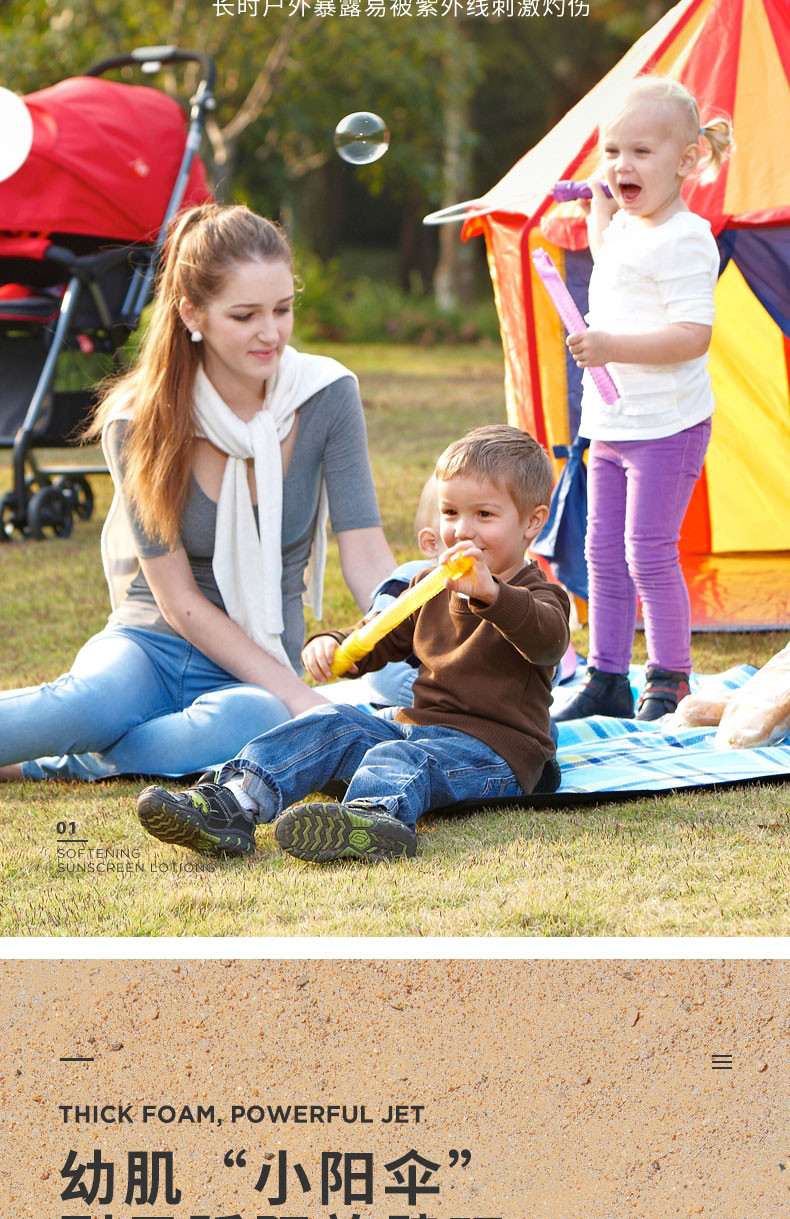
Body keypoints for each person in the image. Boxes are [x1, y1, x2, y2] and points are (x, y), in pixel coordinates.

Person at [0, 203, 395, 782]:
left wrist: (411, 622)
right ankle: (90, 733)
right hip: (151, 644)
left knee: (256, 719)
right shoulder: (137, 420)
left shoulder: (326, 394)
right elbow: (177, 599)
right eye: (244, 315)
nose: (271, 333)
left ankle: (70, 763)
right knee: (89, 704)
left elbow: (365, 555)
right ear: (192, 313)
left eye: (283, 309)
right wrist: (302, 697)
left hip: (257, 665)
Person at [136, 424, 571, 863]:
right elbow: (379, 634)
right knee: (334, 721)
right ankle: (233, 803)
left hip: (495, 756)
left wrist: (491, 594)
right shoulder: (430, 586)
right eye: (450, 513)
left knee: (399, 755)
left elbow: (547, 642)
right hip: (416, 728)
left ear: (532, 522)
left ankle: (370, 820)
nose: (461, 530)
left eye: (484, 515)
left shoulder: (538, 596)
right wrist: (337, 644)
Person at [554, 77, 733, 724]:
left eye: (640, 153)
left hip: (668, 427)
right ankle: (606, 675)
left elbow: (693, 336)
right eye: (611, 152)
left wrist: (610, 347)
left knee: (647, 551)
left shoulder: (687, 237)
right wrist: (598, 216)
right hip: (611, 422)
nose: (621, 166)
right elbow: (613, 261)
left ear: (687, 162)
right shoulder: (629, 226)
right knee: (601, 552)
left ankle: (669, 676)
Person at [322, 473, 441, 711]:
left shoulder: (518, 592)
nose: (474, 530)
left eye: (487, 516)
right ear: (431, 542)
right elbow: (380, 668)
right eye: (453, 514)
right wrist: (436, 700)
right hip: (397, 712)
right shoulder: (409, 583)